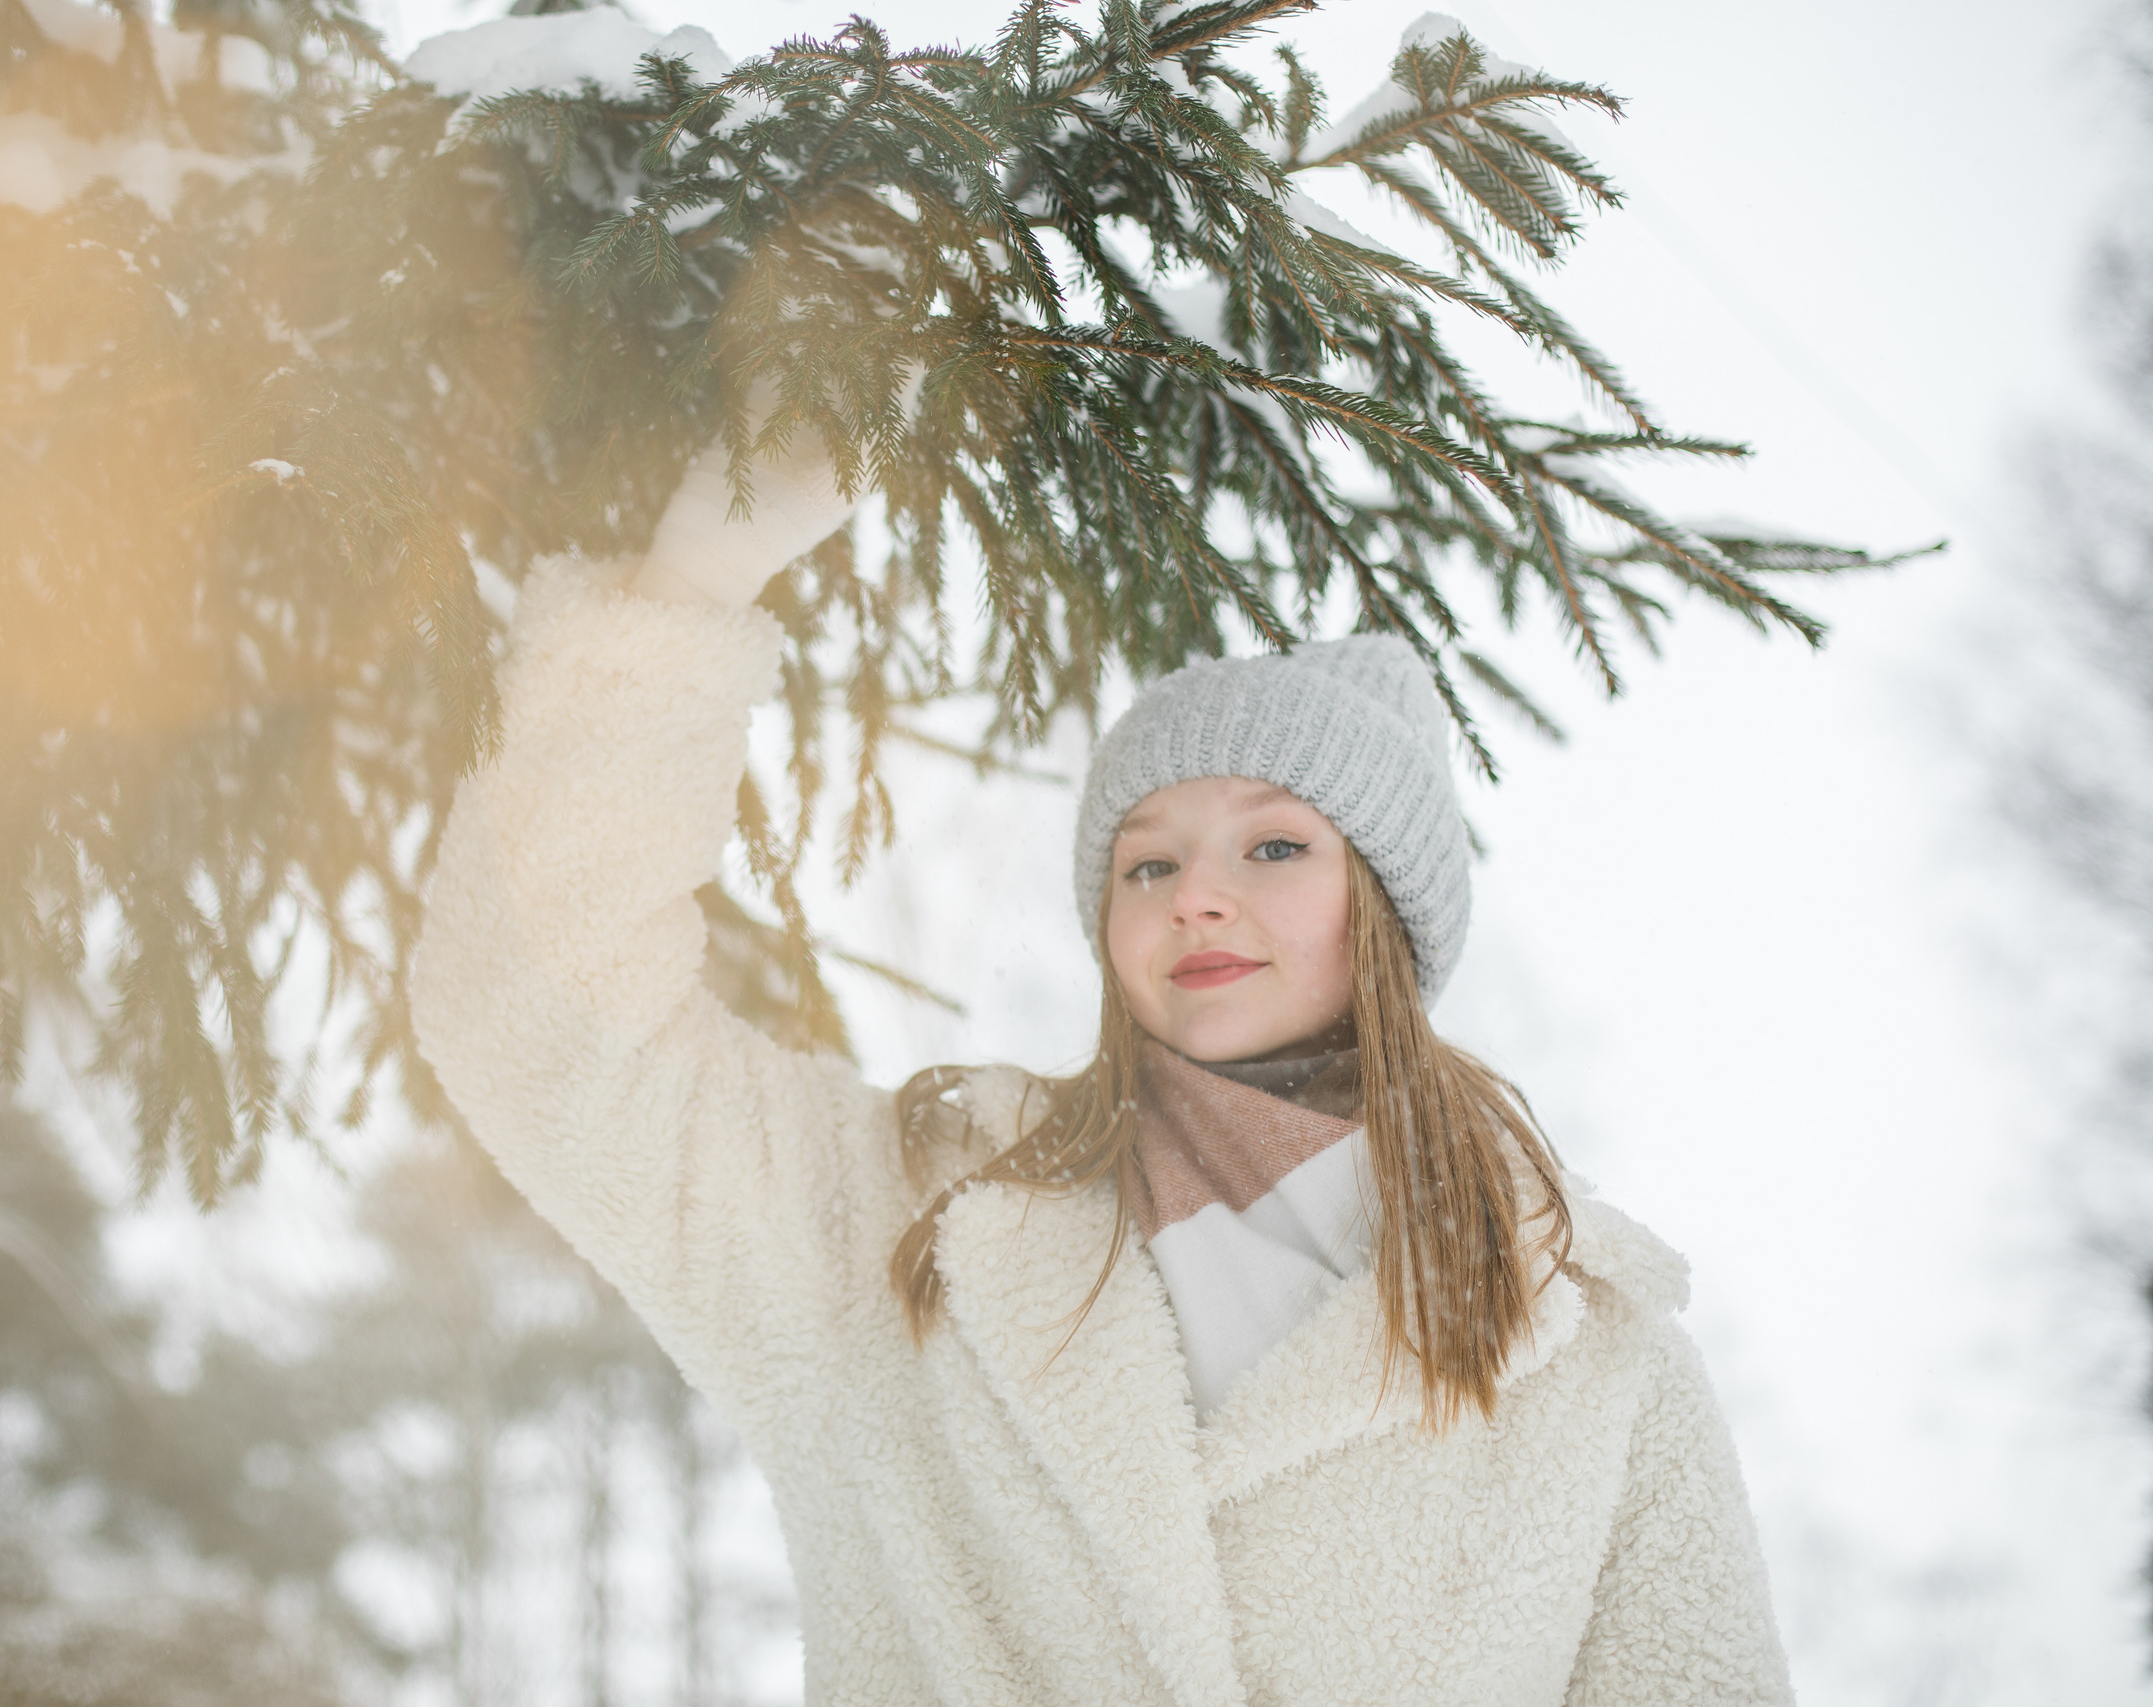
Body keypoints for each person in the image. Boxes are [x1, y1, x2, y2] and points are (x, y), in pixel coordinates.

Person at [410, 429, 1792, 1706]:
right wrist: (689, 589)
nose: (1197, 896)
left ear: (1387, 909)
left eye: (1272, 846)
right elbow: (537, 1022)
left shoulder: (1592, 1363)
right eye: (1149, 861)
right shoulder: (908, 1233)